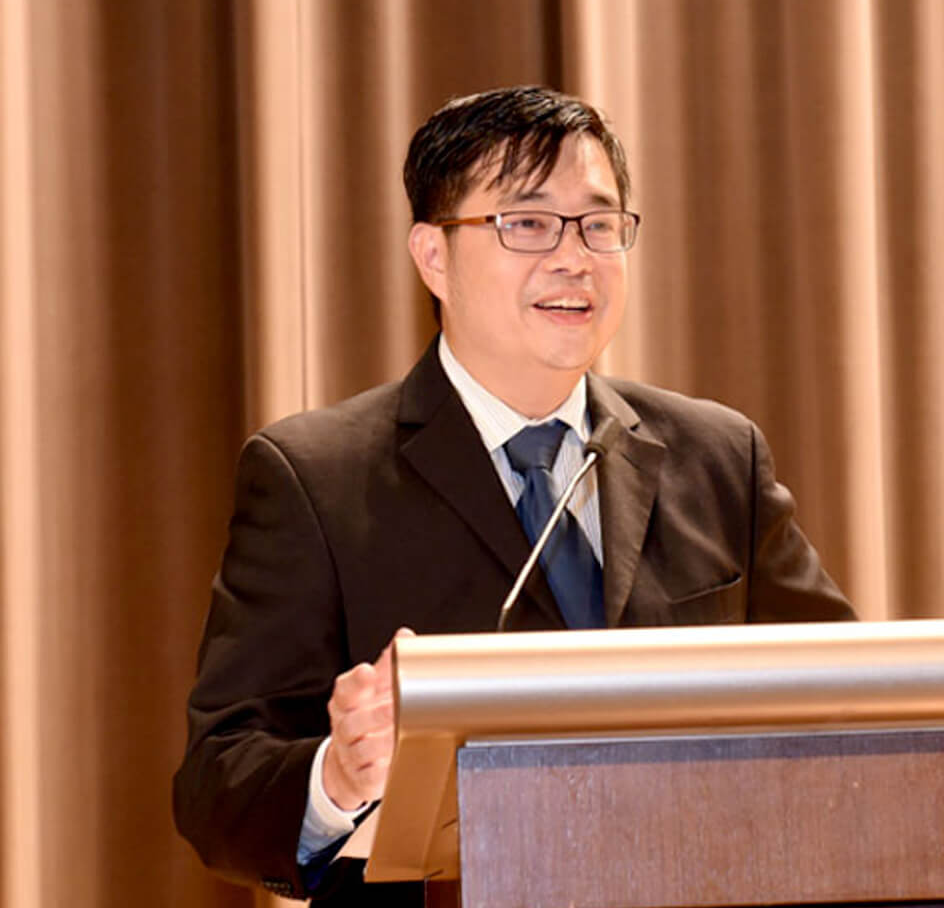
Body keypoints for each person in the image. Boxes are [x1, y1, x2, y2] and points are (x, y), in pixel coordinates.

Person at [173, 86, 856, 905]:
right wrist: (339, 774)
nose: (574, 258)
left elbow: (843, 702)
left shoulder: (717, 456)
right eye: (526, 223)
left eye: (600, 224)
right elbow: (218, 785)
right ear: (433, 256)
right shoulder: (315, 477)